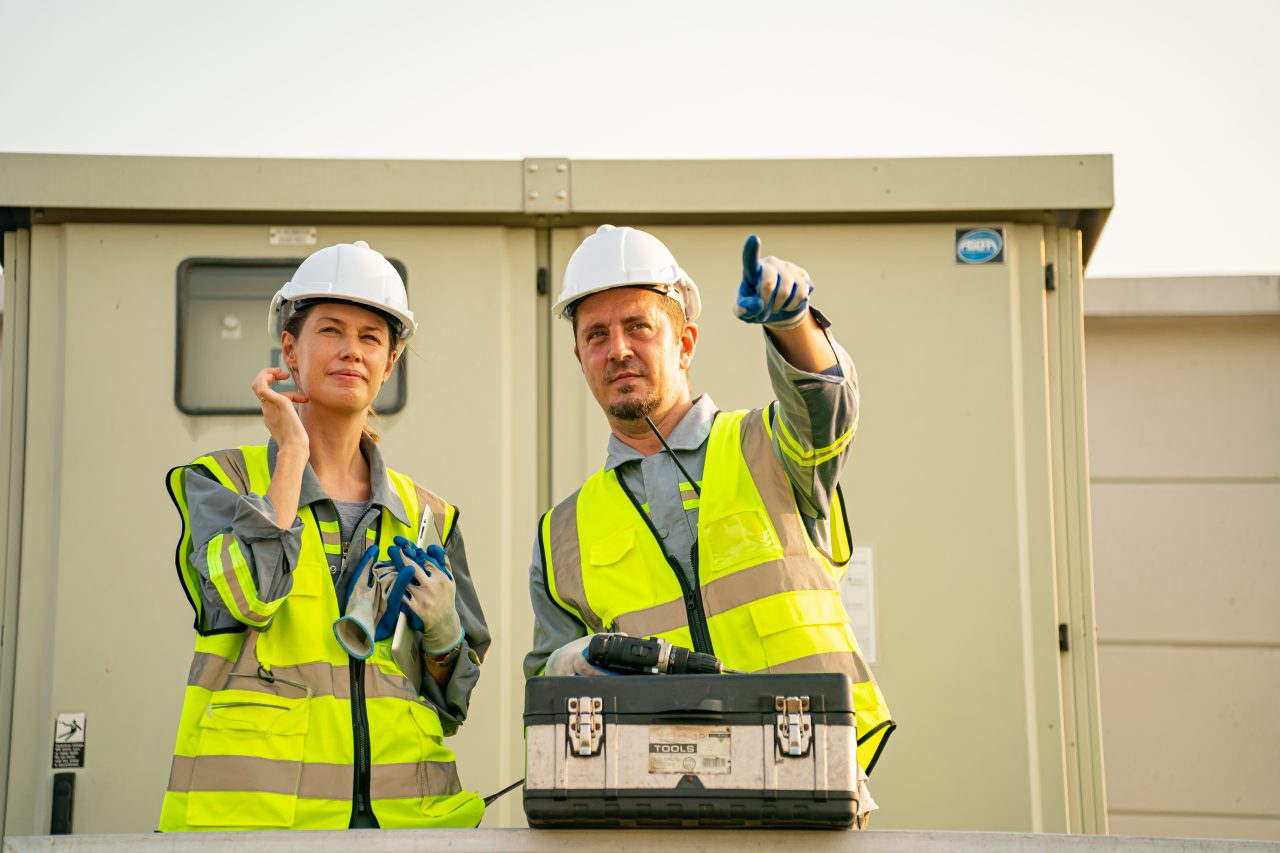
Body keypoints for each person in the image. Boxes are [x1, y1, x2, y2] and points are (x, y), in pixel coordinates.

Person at [524, 225, 893, 822]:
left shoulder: (771, 446)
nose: (617, 349)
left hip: (807, 785)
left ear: (685, 342)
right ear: (579, 357)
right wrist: (564, 669)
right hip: (648, 814)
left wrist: (793, 324)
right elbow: (549, 698)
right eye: (596, 334)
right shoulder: (561, 532)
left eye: (639, 326)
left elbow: (826, 403)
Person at [160, 241, 489, 831]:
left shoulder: (429, 517)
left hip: (405, 826)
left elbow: (453, 698)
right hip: (254, 828)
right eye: (331, 330)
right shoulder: (222, 483)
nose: (351, 351)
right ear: (289, 349)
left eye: (370, 337)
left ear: (389, 364)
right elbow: (245, 600)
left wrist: (442, 642)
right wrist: (292, 453)